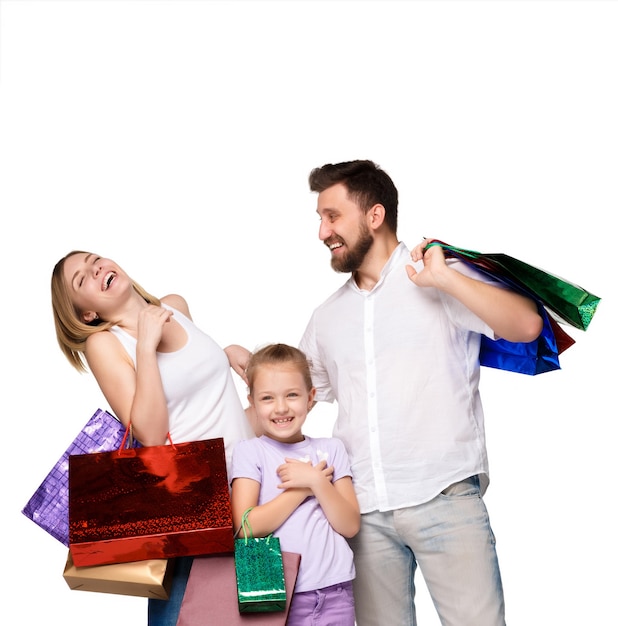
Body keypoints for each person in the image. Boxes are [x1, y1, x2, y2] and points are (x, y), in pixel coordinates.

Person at [298, 160, 544, 626]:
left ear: (374, 216)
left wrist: (447, 279)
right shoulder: (326, 318)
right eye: (320, 218)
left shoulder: (438, 277)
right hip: (364, 512)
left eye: (332, 216)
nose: (322, 231)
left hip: (445, 496)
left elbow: (527, 326)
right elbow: (293, 398)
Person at [51, 250, 256, 625]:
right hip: (194, 508)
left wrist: (227, 355)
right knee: (185, 617)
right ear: (86, 314)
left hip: (249, 496)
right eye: (81, 279)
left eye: (94, 260)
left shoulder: (174, 306)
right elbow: (151, 435)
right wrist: (145, 346)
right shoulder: (106, 342)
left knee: (262, 616)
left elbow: (205, 402)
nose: (95, 269)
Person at [230, 343, 360, 626]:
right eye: (267, 398)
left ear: (311, 397)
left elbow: (349, 525)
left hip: (335, 591)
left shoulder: (331, 448)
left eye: (292, 395)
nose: (281, 408)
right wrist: (302, 489)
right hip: (276, 596)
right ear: (252, 401)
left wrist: (316, 480)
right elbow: (244, 526)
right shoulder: (250, 452)